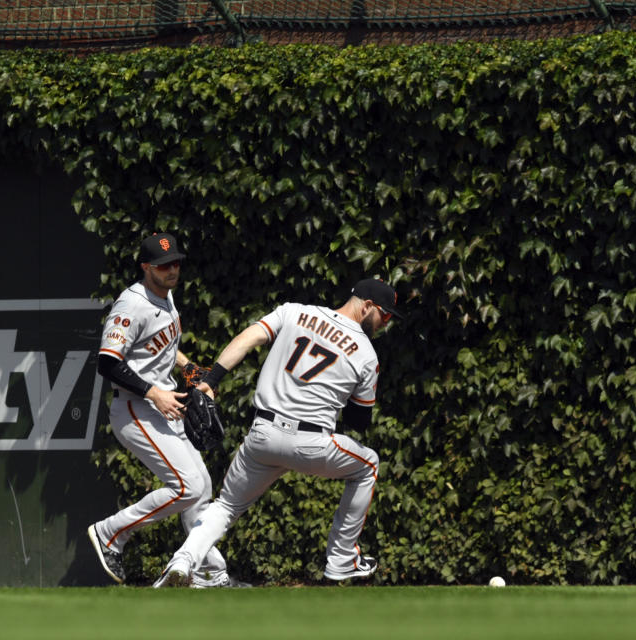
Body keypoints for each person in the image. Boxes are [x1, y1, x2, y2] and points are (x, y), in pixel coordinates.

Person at [152, 277, 403, 588]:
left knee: (226, 507)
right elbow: (358, 421)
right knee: (368, 465)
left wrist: (212, 380)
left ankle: (182, 561)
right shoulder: (367, 354)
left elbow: (248, 338)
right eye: (385, 315)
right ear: (367, 306)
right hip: (312, 444)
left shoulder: (294, 311)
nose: (385, 323)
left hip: (263, 434)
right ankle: (341, 561)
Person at [87, 232, 249, 588]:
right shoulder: (131, 305)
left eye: (175, 262)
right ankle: (112, 532)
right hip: (136, 408)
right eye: (163, 266)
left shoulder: (166, 295)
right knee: (187, 487)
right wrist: (153, 392)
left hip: (164, 406)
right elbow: (108, 363)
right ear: (146, 268)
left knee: (201, 486)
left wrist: (192, 372)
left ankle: (208, 570)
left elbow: (161, 346)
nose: (172, 269)